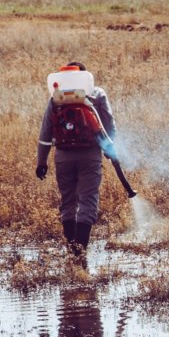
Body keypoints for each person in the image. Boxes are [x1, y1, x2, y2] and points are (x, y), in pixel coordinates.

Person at [35, 62, 116, 255]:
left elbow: (45, 131)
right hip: (90, 155)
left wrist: (41, 161)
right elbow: (109, 125)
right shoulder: (97, 94)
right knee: (88, 199)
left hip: (63, 156)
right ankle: (80, 251)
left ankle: (72, 249)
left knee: (68, 200)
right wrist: (111, 150)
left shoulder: (57, 98)